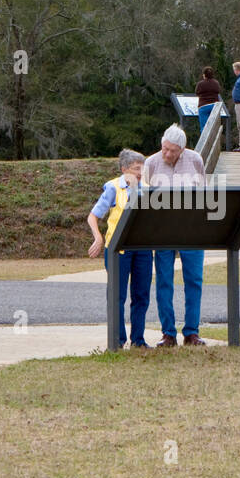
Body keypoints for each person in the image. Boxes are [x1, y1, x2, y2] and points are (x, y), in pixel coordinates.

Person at [142, 125, 207, 347]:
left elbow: (203, 193)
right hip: (163, 230)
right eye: (165, 149)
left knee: (194, 281)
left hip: (191, 229)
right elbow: (144, 199)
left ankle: (192, 332)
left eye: (173, 151)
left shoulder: (196, 160)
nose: (167, 154)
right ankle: (168, 333)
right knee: (164, 281)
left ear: (182, 149)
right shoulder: (151, 163)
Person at [87, 149, 152, 349]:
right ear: (124, 169)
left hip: (142, 248)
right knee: (117, 295)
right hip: (118, 250)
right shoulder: (113, 188)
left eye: (142, 168)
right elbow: (93, 216)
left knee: (141, 294)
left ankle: (138, 340)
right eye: (135, 169)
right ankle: (117, 339)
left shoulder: (147, 189)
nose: (139, 172)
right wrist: (98, 237)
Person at [195, 66, 222, 134]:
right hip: (214, 106)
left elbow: (197, 93)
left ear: (204, 74)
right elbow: (218, 91)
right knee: (214, 127)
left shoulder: (200, 84)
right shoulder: (216, 83)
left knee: (204, 127)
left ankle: (205, 143)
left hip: (203, 106)